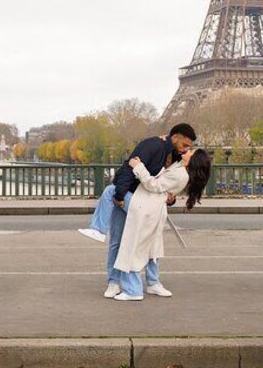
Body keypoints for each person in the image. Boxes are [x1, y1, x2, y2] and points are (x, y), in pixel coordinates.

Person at [81, 124, 197, 299]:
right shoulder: (152, 145)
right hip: (132, 197)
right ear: (176, 137)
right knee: (120, 240)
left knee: (146, 242)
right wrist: (120, 194)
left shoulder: (174, 155)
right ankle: (117, 282)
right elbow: (129, 169)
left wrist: (170, 197)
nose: (186, 149)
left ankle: (143, 281)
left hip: (145, 202)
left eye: (189, 147)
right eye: (185, 145)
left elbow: (163, 185)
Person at [112, 148, 211, 301]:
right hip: (154, 209)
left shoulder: (180, 173)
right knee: (151, 248)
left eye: (191, 151)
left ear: (193, 159)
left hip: (147, 208)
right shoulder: (179, 169)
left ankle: (133, 290)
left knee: (134, 247)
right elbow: (163, 188)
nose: (187, 150)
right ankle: (152, 282)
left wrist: (138, 167)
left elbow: (154, 185)